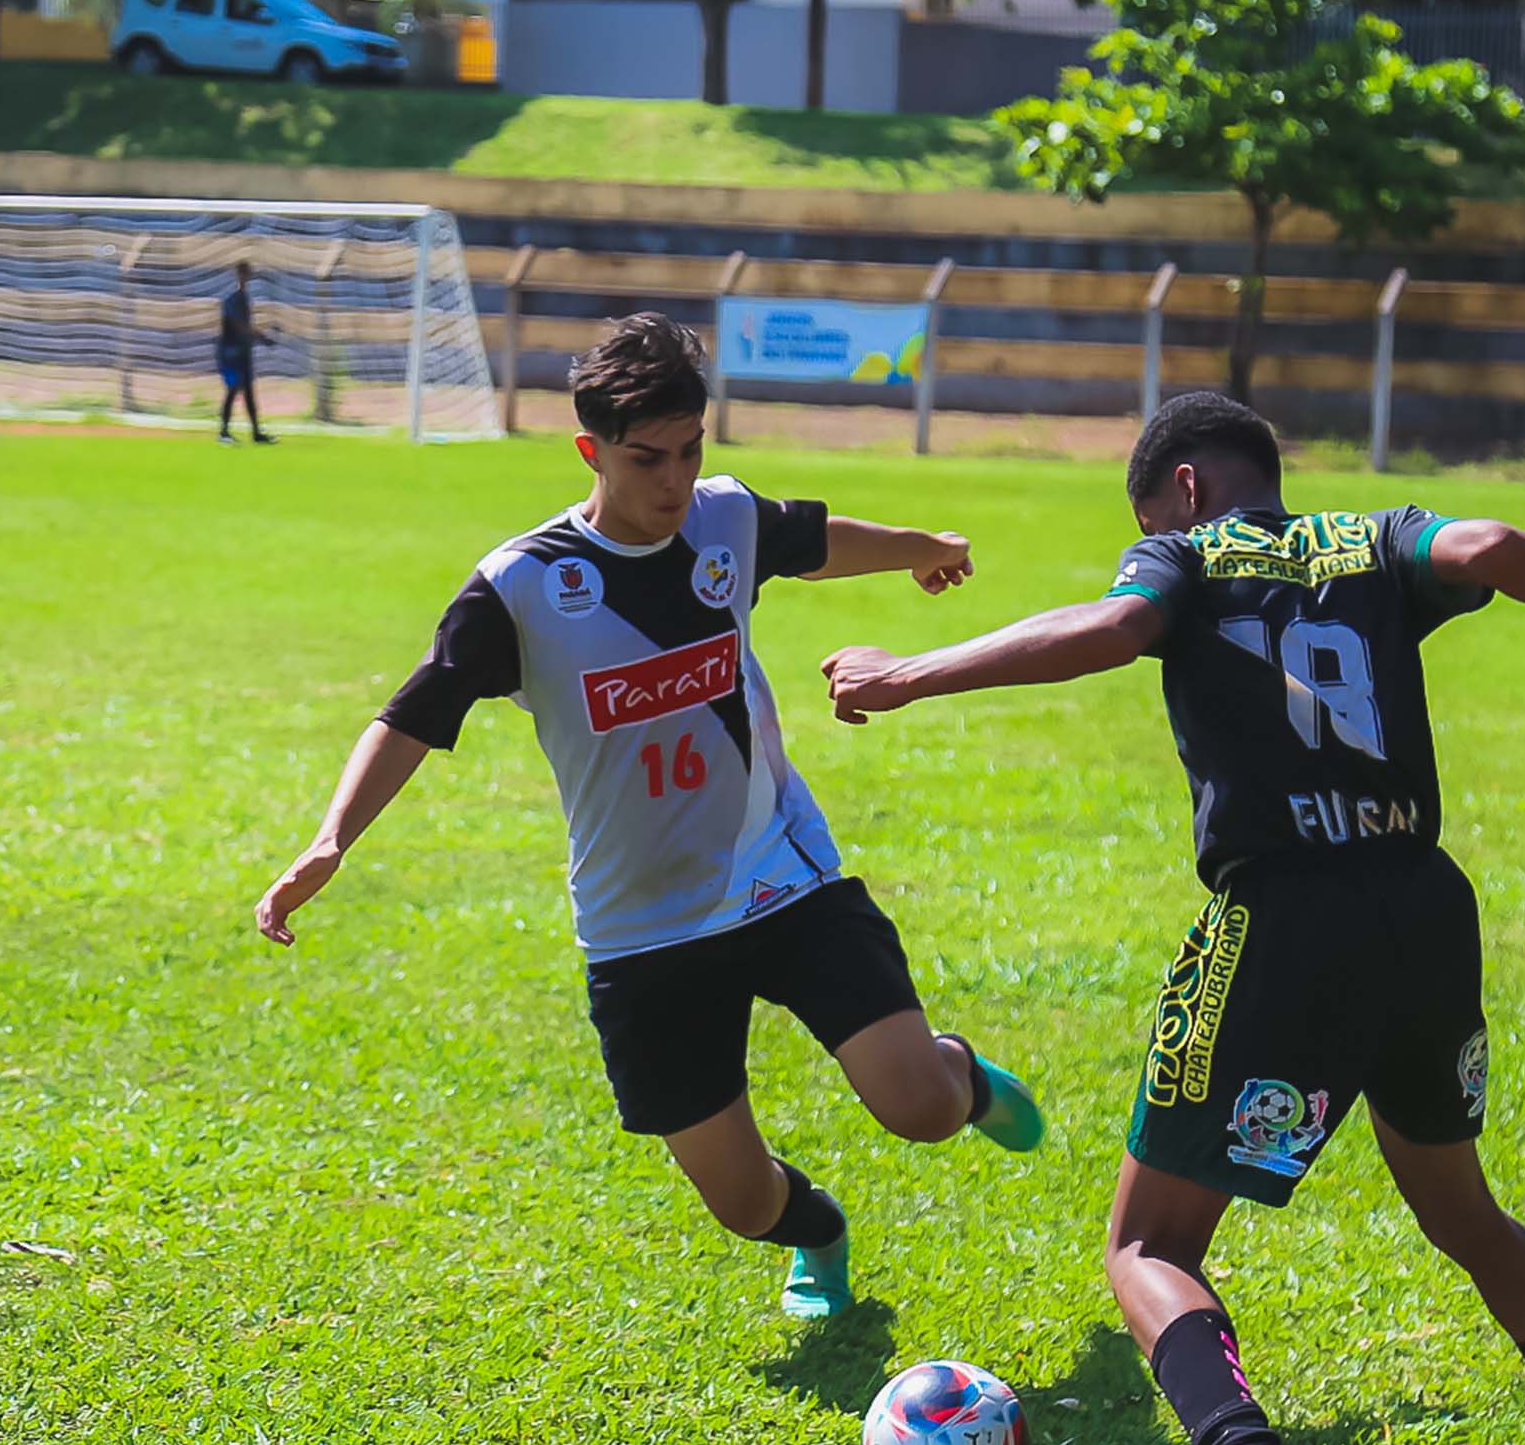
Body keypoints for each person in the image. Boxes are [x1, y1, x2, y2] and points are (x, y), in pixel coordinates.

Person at [818, 391, 1525, 1445]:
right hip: (1426, 912)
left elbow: (1121, 624)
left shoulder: (1184, 554)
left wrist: (905, 672)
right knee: (1463, 1211)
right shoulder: (1373, 539)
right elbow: (1491, 545)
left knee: (1145, 1243)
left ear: (1180, 488)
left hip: (1286, 922)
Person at [256, 313, 1045, 1320]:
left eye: (690, 450)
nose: (673, 480)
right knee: (743, 1200)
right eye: (645, 459)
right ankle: (821, 1233)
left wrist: (919, 549)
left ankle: (962, 1077)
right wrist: (332, 837)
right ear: (591, 451)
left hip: (782, 873)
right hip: (644, 925)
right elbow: (415, 712)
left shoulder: (723, 518)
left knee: (918, 1107)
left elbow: (810, 538)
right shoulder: (522, 586)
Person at [217, 260, 271, 444]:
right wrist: (260, 336)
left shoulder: (244, 298)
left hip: (243, 351)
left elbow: (244, 327)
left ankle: (256, 432)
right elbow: (239, 326)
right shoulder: (232, 299)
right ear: (239, 274)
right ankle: (223, 432)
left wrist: (257, 337)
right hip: (231, 352)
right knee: (233, 389)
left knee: (248, 391)